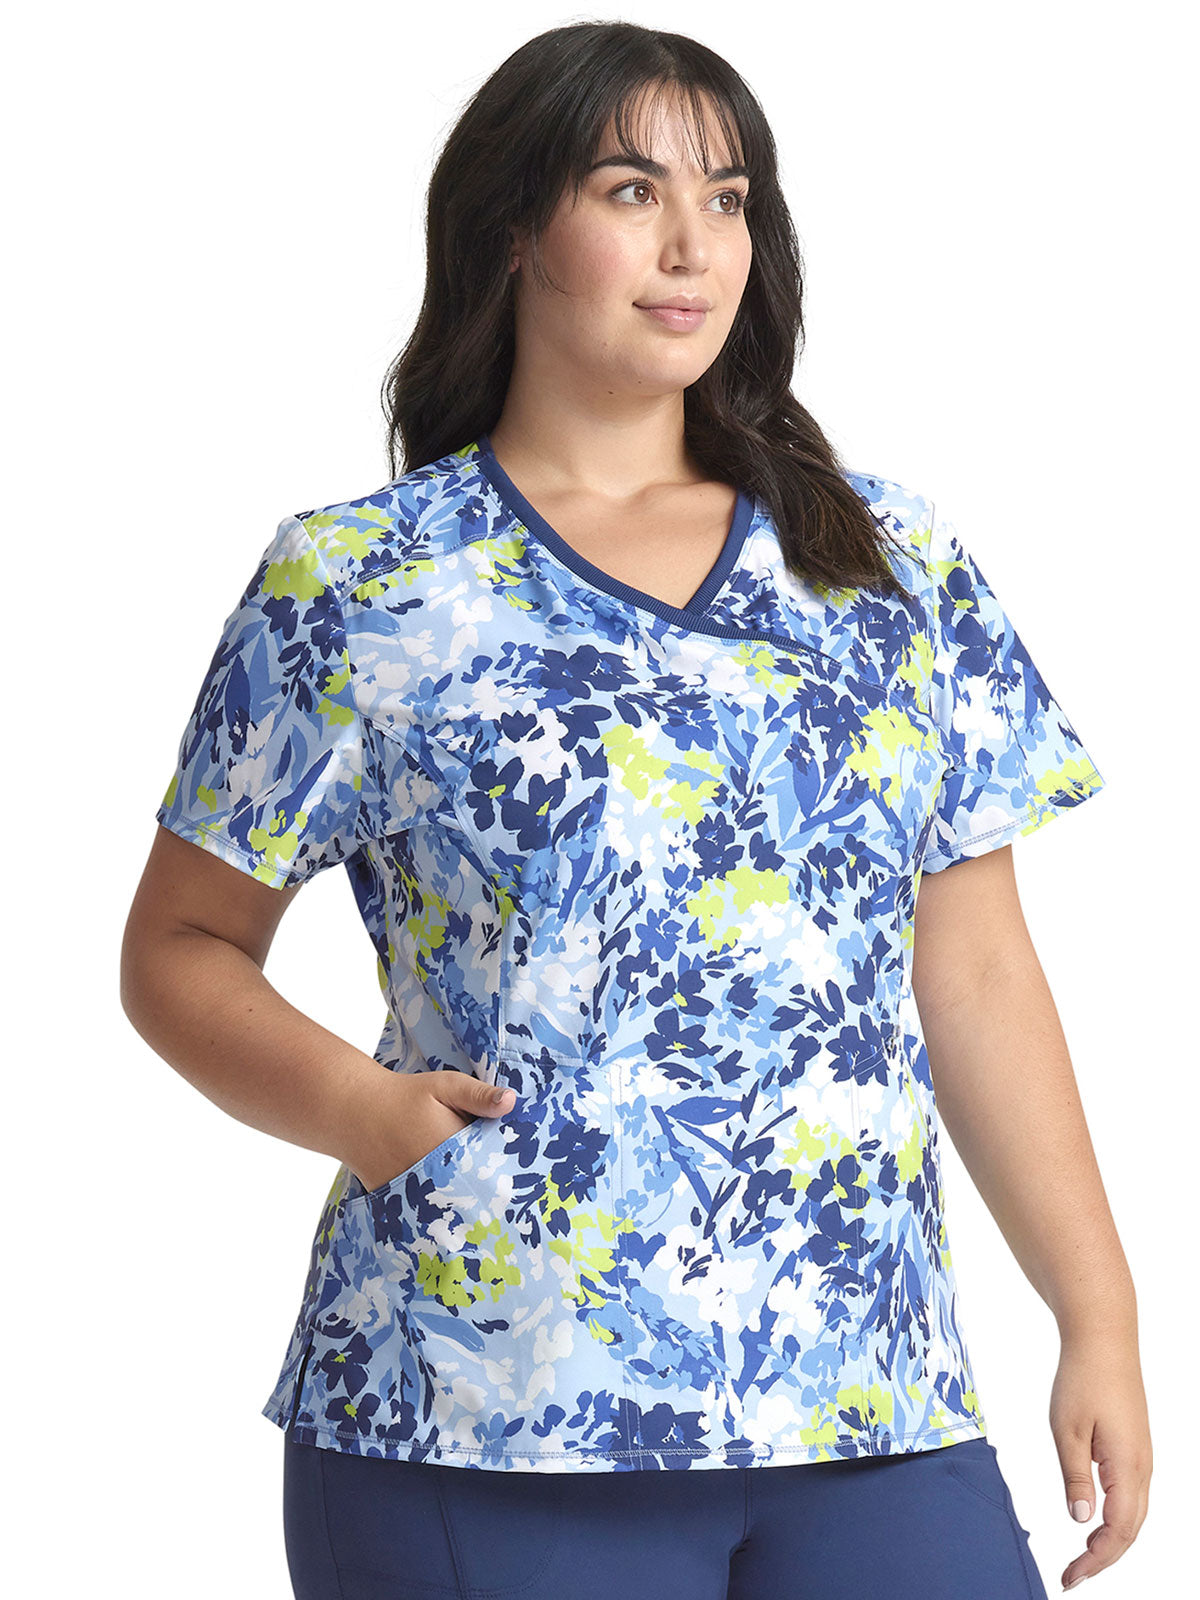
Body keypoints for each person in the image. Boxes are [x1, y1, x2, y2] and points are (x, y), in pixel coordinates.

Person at [120, 19, 1152, 1600]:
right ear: (512, 229)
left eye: (727, 199)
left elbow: (980, 971)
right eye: (630, 190)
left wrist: (1099, 1314)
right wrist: (361, 1112)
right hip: (485, 1396)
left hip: (866, 1392)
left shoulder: (889, 565)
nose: (692, 245)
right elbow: (180, 947)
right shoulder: (360, 581)